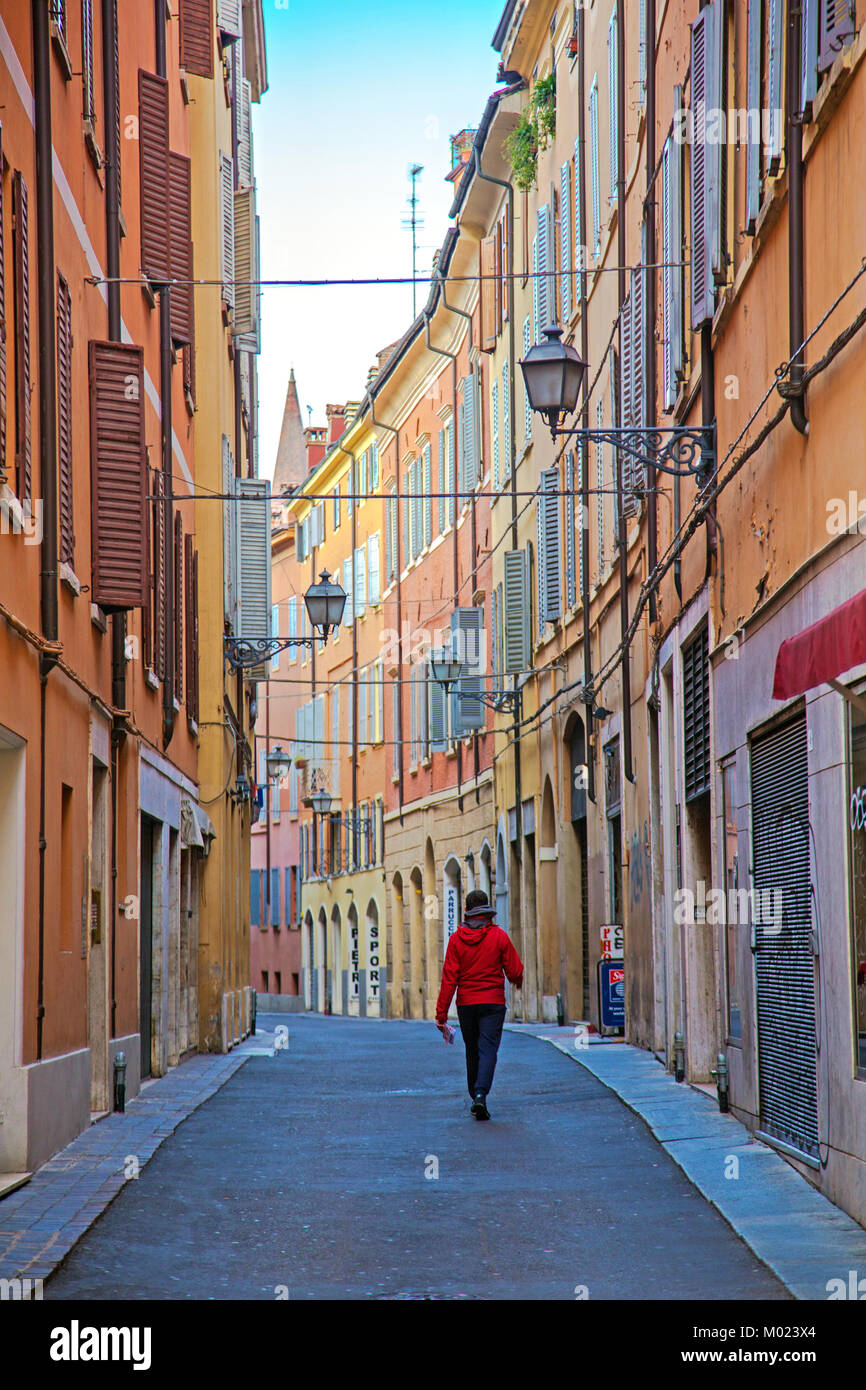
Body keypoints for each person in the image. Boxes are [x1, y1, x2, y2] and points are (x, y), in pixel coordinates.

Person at [435, 889, 524, 1120]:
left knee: (472, 1050)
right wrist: (517, 980)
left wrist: (441, 1014)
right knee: (488, 1050)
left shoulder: (456, 940)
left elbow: (449, 978)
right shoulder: (499, 936)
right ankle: (480, 1095)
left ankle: (474, 1092)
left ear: (467, 911)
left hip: (467, 1005)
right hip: (493, 1003)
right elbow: (514, 969)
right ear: (487, 910)